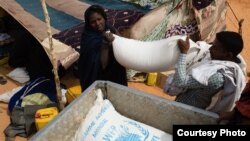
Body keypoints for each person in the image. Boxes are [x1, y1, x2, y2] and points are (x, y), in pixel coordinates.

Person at [164, 31, 246, 113]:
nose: (210, 49)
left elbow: (181, 81)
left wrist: (183, 53)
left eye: (215, 47)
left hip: (187, 113)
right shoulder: (216, 63)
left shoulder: (217, 76)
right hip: (182, 108)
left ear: (228, 55)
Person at [79, 5, 127, 91]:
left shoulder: (108, 27)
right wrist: (105, 45)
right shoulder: (88, 38)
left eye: (99, 19)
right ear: (88, 24)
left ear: (104, 18)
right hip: (98, 76)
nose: (97, 24)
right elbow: (102, 66)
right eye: (93, 22)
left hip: (115, 72)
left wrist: (116, 40)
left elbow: (122, 42)